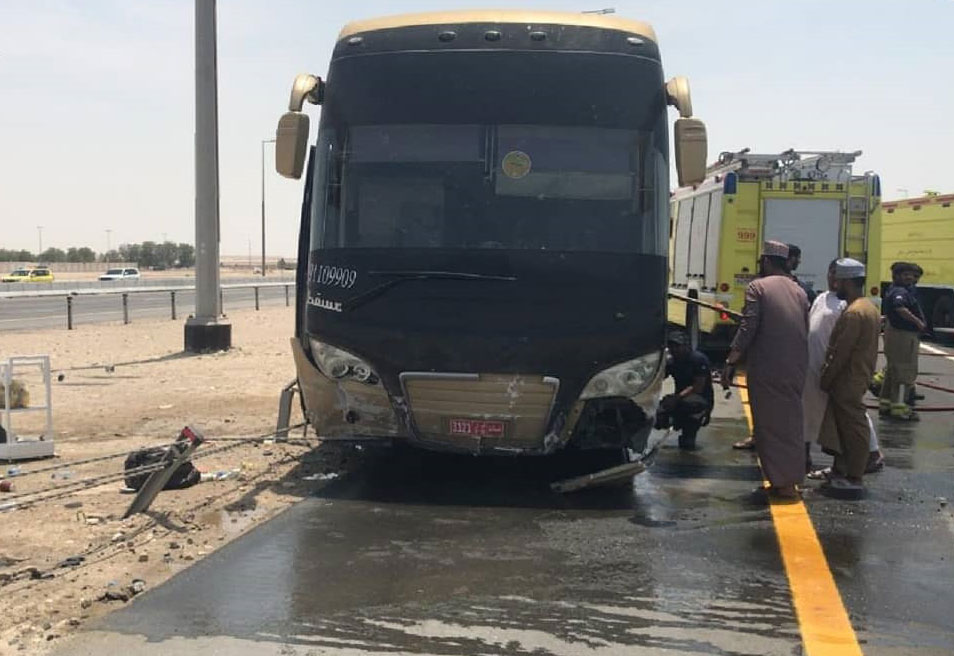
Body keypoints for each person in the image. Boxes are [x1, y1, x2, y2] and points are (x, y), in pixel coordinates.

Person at [723, 241, 809, 500]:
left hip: (768, 366)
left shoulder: (757, 287)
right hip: (795, 365)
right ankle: (789, 478)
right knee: (790, 422)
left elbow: (748, 327)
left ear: (767, 261)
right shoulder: (798, 290)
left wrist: (731, 360)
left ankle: (782, 483)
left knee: (768, 425)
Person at [803, 260, 884, 480]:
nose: (834, 284)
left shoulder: (854, 313)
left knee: (853, 430)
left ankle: (854, 476)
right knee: (838, 427)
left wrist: (827, 377)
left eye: (838, 280)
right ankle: (840, 469)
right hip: (850, 378)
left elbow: (840, 352)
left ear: (847, 282)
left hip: (847, 379)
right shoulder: (867, 307)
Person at [879, 261, 926, 421]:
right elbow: (900, 308)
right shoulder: (900, 292)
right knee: (903, 373)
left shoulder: (898, 290)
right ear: (897, 276)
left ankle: (886, 405)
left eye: (912, 275)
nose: (910, 278)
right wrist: (918, 322)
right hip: (903, 336)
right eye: (906, 275)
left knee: (892, 372)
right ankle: (899, 409)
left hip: (897, 334)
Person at [656, 331, 714, 450]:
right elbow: (659, 378)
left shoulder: (698, 360)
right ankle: (675, 421)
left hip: (699, 399)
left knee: (692, 406)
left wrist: (675, 399)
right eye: (671, 346)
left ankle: (690, 430)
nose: (674, 349)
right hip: (680, 398)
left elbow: (698, 387)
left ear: (686, 346)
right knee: (656, 414)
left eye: (677, 346)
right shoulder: (672, 361)